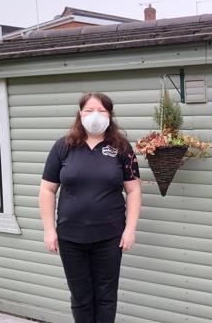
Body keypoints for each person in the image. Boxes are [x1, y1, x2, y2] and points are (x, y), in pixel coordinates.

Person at [39, 92, 142, 323]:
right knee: (81, 298)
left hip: (109, 237)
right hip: (71, 238)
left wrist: (130, 229)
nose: (95, 115)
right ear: (80, 113)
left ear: (110, 114)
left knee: (106, 297)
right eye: (89, 110)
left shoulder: (122, 148)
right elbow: (47, 190)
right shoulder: (63, 147)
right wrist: (49, 229)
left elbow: (134, 190)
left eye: (101, 111)